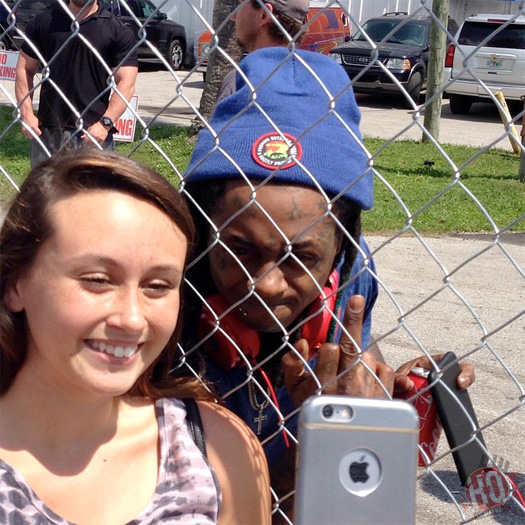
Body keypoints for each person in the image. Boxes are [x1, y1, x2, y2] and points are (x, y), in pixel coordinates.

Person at [181, 47, 475, 516]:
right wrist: (318, 445)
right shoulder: (161, 301)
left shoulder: (352, 283)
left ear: (341, 253)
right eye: (241, 248)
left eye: (302, 256)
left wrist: (382, 398)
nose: (268, 284)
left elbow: (362, 353)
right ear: (202, 231)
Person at [0, 149, 271, 524]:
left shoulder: (217, 448)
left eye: (158, 286)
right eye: (97, 280)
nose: (131, 318)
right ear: (15, 283)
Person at [15, 0, 138, 167]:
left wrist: (105, 123)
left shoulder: (116, 30)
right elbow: (24, 68)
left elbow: (126, 82)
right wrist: (27, 114)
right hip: (47, 131)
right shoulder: (45, 22)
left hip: (92, 133)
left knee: (93, 192)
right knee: (44, 192)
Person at [216, 0, 309, 103]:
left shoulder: (240, 81)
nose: (233, 17)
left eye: (240, 6)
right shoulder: (317, 79)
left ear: (264, 14)